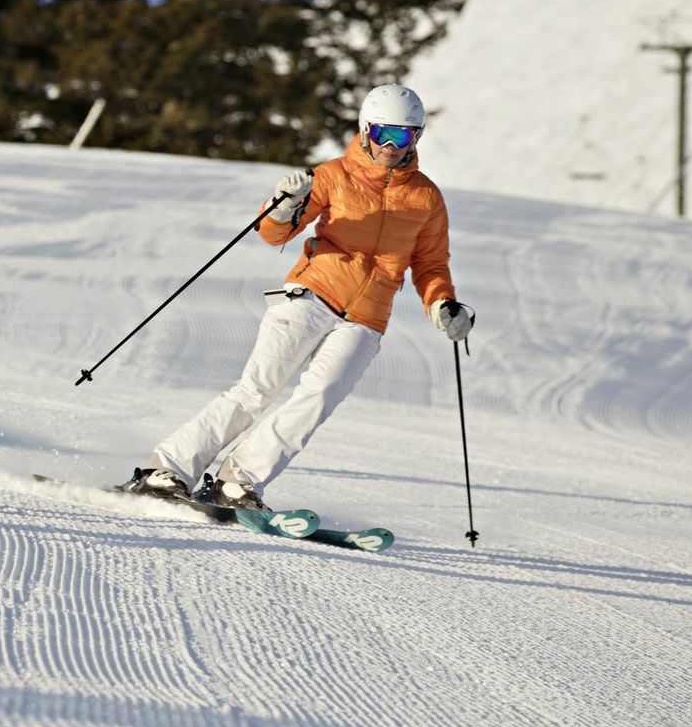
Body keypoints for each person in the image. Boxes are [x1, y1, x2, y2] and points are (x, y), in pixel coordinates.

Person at [128, 84, 474, 508]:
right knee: (256, 390)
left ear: (416, 137)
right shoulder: (332, 175)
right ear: (365, 130)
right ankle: (165, 468)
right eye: (383, 133)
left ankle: (238, 481)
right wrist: (281, 207)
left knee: (318, 399)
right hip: (311, 296)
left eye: (401, 136)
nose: (389, 145)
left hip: (367, 317)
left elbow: (431, 264)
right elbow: (275, 234)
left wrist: (441, 303)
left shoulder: (427, 197)